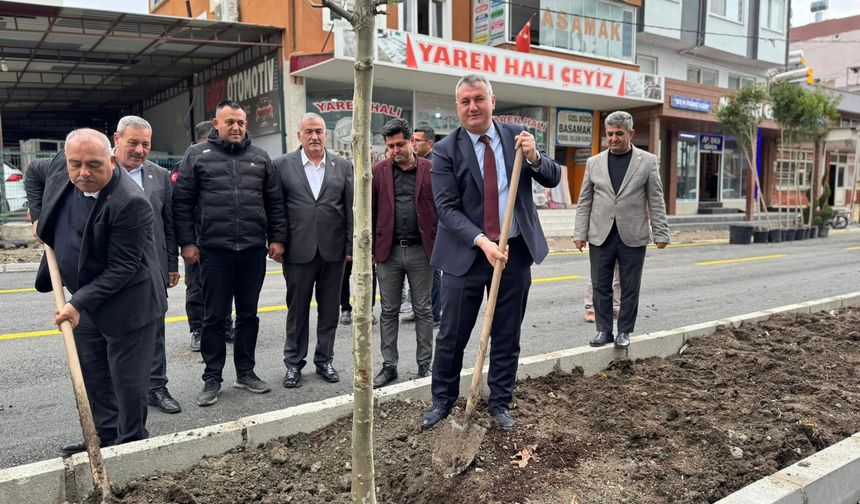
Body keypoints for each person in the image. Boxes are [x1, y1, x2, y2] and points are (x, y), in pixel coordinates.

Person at [422, 74, 561, 430]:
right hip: (466, 256)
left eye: (479, 99)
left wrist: (533, 156)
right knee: (452, 333)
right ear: (458, 107)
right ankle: (442, 401)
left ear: (492, 101)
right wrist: (482, 241)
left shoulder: (517, 137)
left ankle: (500, 401)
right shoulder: (445, 150)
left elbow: (553, 176)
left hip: (512, 253)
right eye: (465, 101)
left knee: (506, 331)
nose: (473, 106)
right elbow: (447, 208)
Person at [35, 129, 167, 455]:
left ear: (111, 159)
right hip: (87, 298)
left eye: (93, 165)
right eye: (75, 164)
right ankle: (103, 436)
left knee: (128, 384)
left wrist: (76, 303)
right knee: (93, 375)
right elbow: (33, 175)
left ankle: (131, 446)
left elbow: (123, 268)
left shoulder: (131, 203)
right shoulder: (60, 168)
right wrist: (38, 214)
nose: (83, 173)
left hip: (129, 303)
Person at [173, 99, 287, 407]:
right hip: (213, 251)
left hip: (251, 250)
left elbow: (275, 202)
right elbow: (181, 202)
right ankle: (212, 377)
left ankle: (246, 372)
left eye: (240, 122)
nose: (235, 127)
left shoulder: (261, 158)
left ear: (246, 125)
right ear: (216, 124)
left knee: (248, 315)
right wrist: (187, 243)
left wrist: (277, 239)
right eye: (229, 122)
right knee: (214, 317)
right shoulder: (197, 155)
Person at [573, 111, 670, 349]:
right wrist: (579, 233)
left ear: (631, 134)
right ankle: (604, 330)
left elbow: (656, 199)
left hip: (633, 234)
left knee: (629, 286)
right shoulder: (594, 162)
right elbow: (584, 200)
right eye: (610, 134)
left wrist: (661, 232)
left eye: (619, 134)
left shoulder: (647, 161)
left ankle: (624, 331)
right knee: (600, 285)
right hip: (600, 234)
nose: (613, 138)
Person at [274, 113, 353, 388]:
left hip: (334, 252)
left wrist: (350, 246)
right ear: (299, 136)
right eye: (308, 131)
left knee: (330, 310)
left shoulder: (342, 166)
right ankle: (294, 363)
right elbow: (276, 208)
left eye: (319, 131)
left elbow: (349, 208)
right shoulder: (282, 165)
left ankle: (324, 360)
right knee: (297, 311)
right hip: (297, 251)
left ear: (326, 135)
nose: (314, 137)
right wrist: (276, 240)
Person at [112, 115, 181, 415]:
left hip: (151, 270)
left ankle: (156, 387)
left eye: (145, 144)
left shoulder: (160, 177)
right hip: (112, 272)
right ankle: (117, 394)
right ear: (116, 139)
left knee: (155, 331)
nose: (140, 150)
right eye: (133, 143)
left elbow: (169, 225)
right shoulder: (100, 171)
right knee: (114, 336)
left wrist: (170, 265)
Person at [371, 118, 437, 388]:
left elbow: (441, 209)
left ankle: (425, 365)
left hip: (422, 252)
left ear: (412, 141)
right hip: (389, 252)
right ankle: (389, 366)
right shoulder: (378, 171)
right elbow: (372, 211)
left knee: (423, 310)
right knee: (388, 311)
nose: (395, 150)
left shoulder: (431, 169)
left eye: (400, 144)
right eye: (390, 146)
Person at [177, 121, 235, 352]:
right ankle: (198, 330)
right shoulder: (186, 164)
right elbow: (180, 205)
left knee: (225, 286)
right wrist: (187, 240)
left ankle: (225, 324)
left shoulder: (226, 164)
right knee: (196, 287)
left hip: (221, 238)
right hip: (198, 239)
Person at [412, 123, 442, 327]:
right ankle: (421, 310)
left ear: (429, 143)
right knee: (420, 273)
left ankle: (434, 314)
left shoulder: (435, 165)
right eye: (411, 140)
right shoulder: (416, 163)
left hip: (434, 226)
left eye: (417, 141)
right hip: (419, 227)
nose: (412, 144)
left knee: (433, 272)